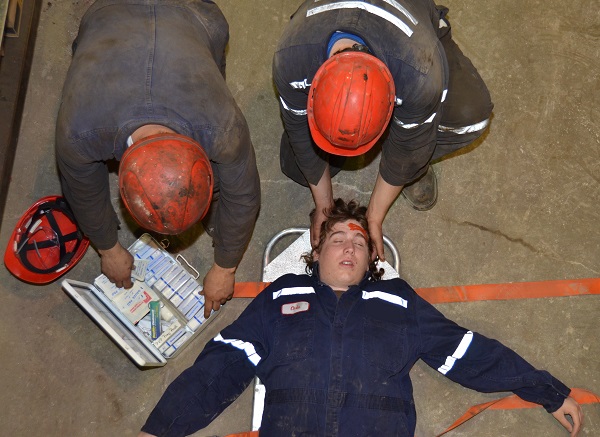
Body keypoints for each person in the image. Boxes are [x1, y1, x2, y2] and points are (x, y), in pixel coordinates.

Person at [137, 199, 583, 437]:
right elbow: (223, 365)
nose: (349, 246)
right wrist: (161, 429)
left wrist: (546, 390)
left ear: (372, 256)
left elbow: (466, 351)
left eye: (359, 240)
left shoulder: (397, 301)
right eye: (336, 239)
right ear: (317, 253)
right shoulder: (282, 295)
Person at [55, 0, 260, 317]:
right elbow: (83, 192)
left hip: (193, 13)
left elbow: (243, 195)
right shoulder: (81, 130)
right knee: (86, 56)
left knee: (212, 54)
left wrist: (226, 267)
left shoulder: (221, 126)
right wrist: (107, 248)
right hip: (110, 11)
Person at [273, 0, 494, 262]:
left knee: (468, 117)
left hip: (411, 31)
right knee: (297, 164)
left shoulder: (418, 73)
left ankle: (415, 161)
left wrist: (375, 216)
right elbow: (299, 129)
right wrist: (323, 204)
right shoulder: (292, 59)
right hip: (324, 25)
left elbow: (407, 148)